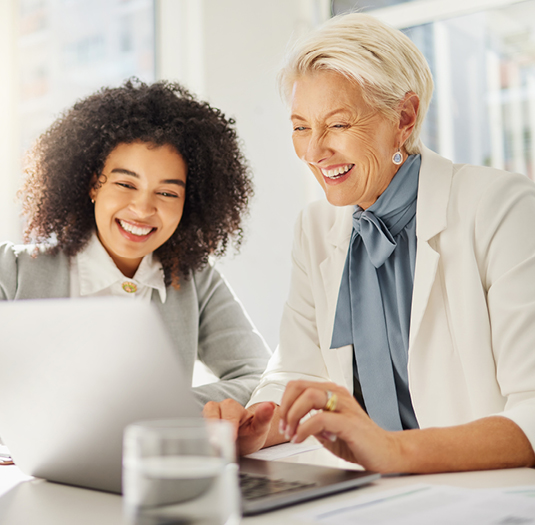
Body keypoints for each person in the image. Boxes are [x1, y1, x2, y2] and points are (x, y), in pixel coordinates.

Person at [204, 13, 535, 473]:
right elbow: (296, 372)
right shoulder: (316, 227)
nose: (314, 151)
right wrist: (264, 425)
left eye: (337, 125)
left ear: (404, 117)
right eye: (301, 127)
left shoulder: (501, 207)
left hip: (481, 493)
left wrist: (393, 452)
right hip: (376, 495)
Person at [0, 79, 271, 407]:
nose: (143, 209)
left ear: (191, 202)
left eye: (168, 192)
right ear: (92, 185)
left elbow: (261, 378)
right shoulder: (10, 272)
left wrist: (154, 409)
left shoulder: (195, 280)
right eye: (125, 184)